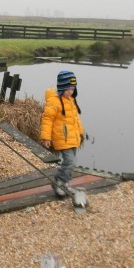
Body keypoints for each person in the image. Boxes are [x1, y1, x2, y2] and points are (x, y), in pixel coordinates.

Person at [39, 70, 86, 207]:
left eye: (72, 89)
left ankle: (64, 183)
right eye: (68, 89)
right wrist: (46, 137)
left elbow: (75, 119)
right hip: (62, 138)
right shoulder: (54, 102)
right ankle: (59, 182)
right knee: (70, 162)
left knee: (71, 162)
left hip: (73, 137)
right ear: (61, 88)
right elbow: (47, 119)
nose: (70, 92)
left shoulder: (71, 100)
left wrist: (81, 132)